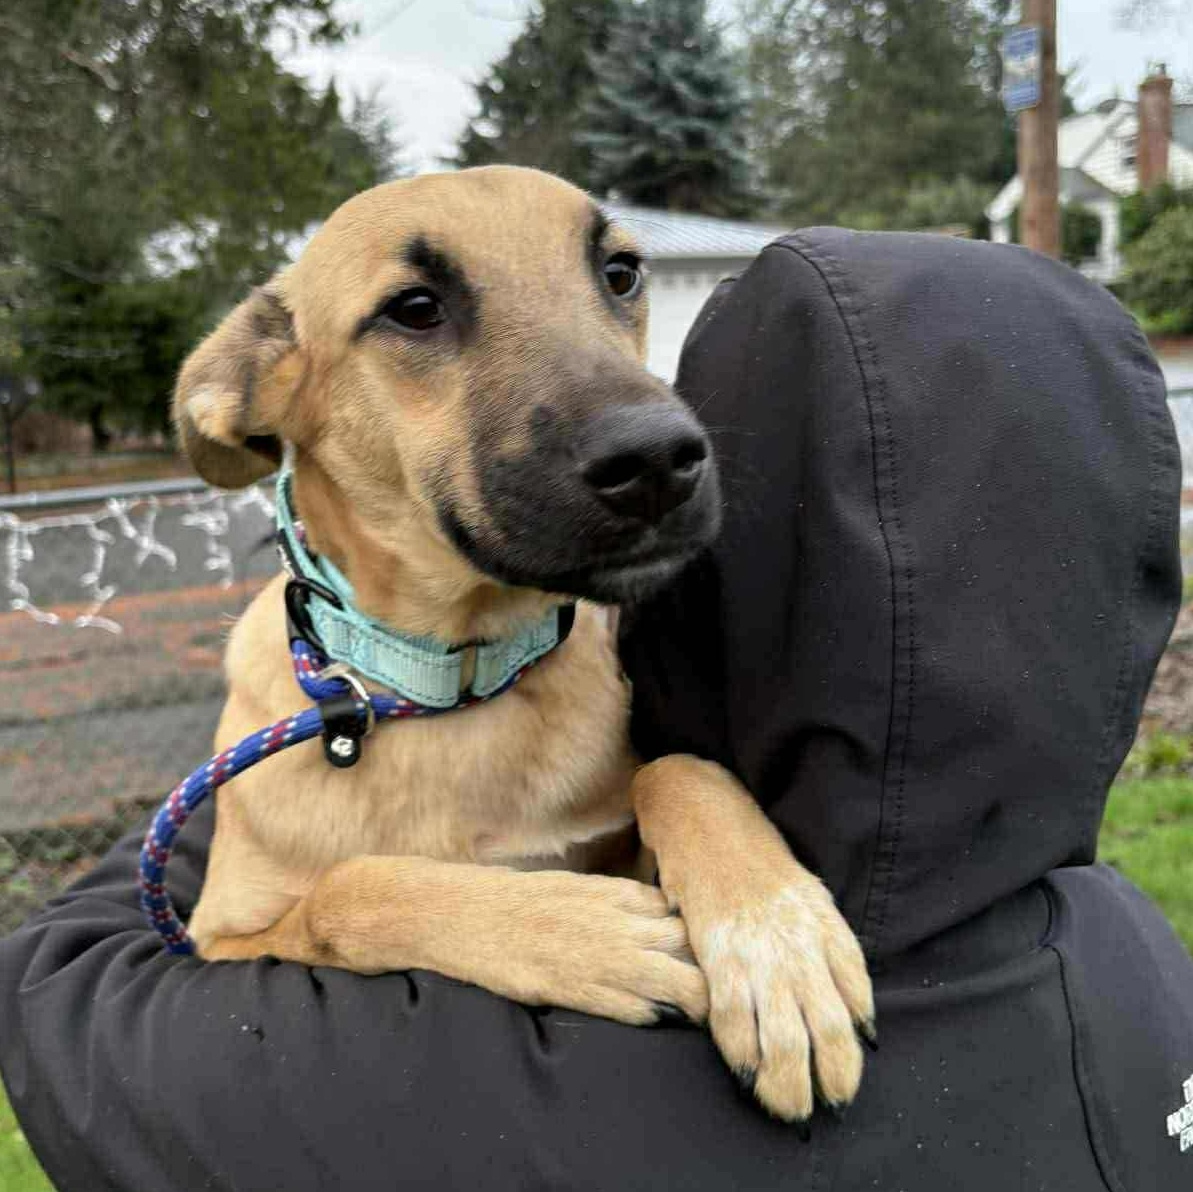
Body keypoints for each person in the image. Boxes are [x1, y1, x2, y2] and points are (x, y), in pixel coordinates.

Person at [2, 228, 1190, 1191]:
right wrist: (686, 792)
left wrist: (343, 895)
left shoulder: (455, 1094)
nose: (649, 424)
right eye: (417, 312)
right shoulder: (1128, 949)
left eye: (610, 280)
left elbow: (98, 1005)